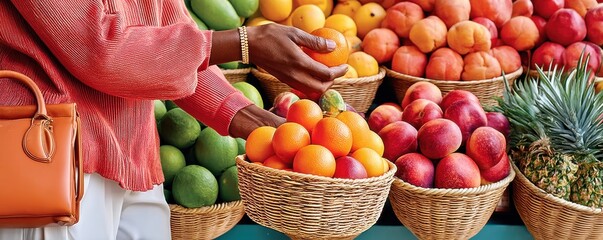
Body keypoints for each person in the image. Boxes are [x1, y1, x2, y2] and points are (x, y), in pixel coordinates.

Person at [0, 1, 347, 239]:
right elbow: (101, 50)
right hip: (49, 160)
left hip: (133, 156)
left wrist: (262, 125)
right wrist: (245, 43)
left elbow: (168, 29)